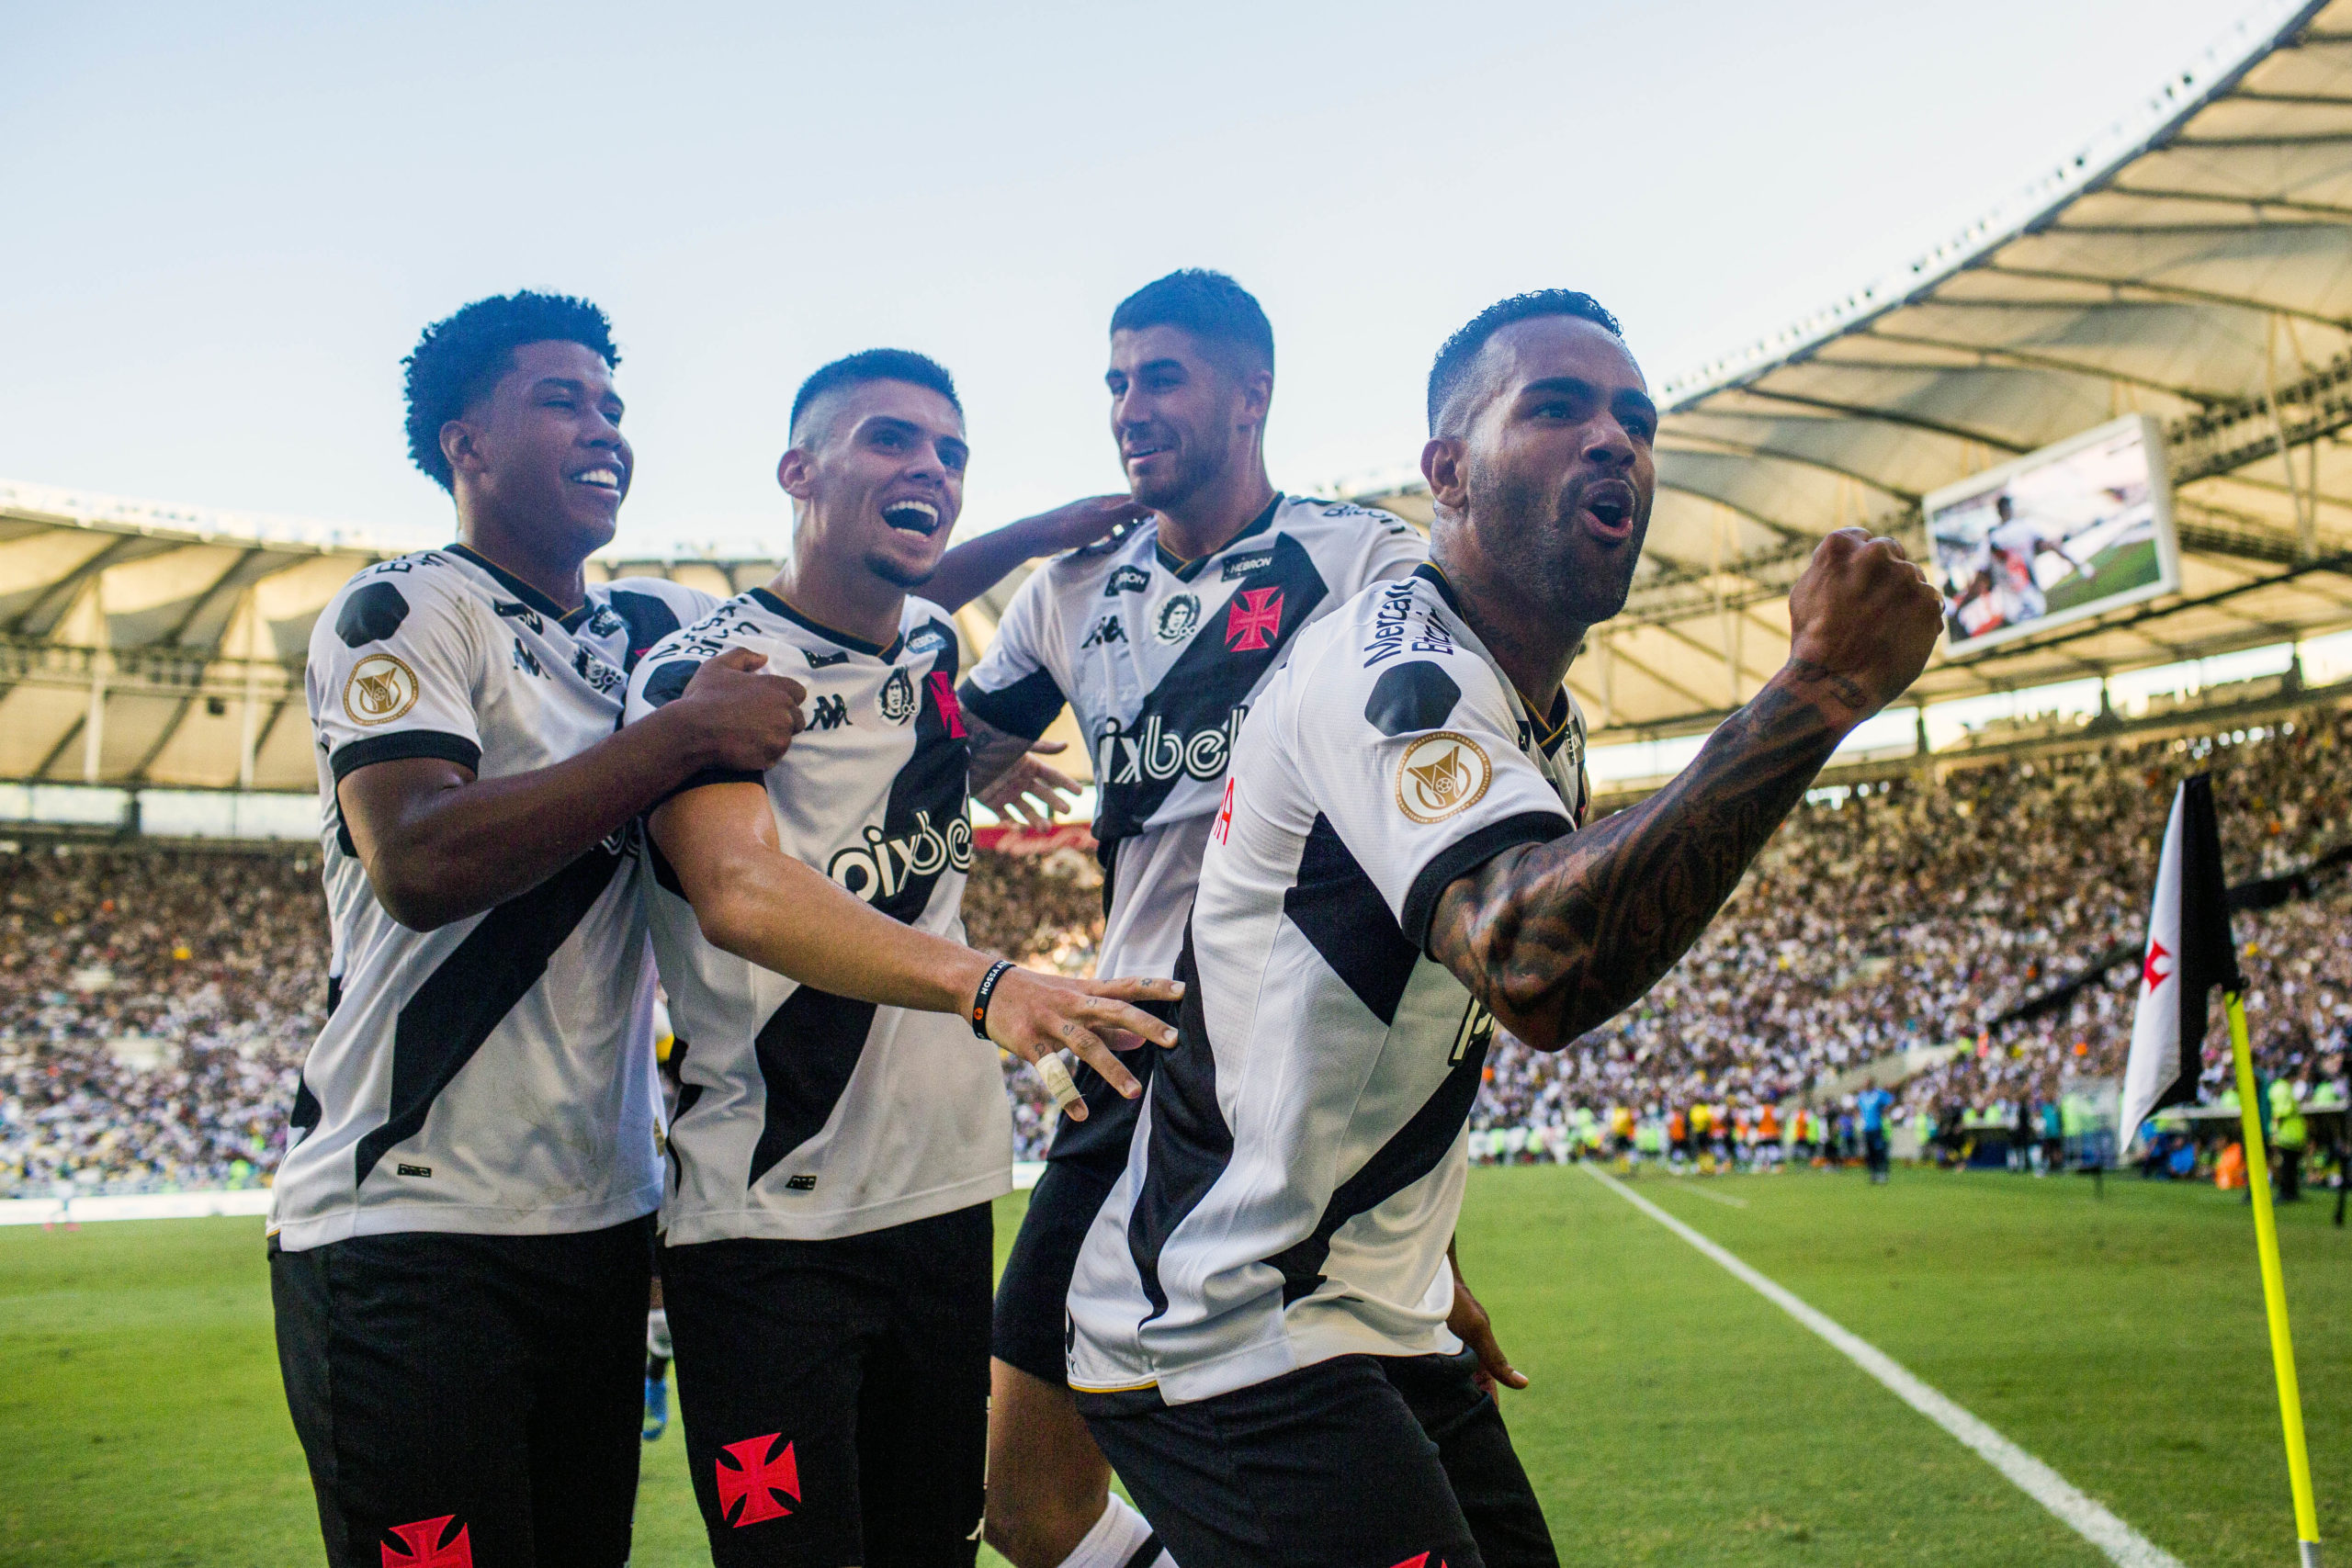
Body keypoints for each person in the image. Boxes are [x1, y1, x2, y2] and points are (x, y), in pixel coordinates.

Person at [1064, 289, 1942, 1568]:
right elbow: (1534, 963)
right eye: (1557, 407)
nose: (1615, 441)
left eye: (1637, 422)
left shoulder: (1538, 722)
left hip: (1367, 1307)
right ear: (1446, 473)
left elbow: (1424, 1015)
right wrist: (1816, 690)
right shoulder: (1388, 663)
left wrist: (1432, 1255)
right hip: (1226, 1321)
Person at [956, 270, 1489, 1568]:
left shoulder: (1362, 560)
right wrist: (1016, 549)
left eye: (1163, 378)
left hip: (1288, 1039)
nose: (1131, 408)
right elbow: (910, 736)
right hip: (1123, 1037)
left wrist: (1436, 1237)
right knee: (1029, 1505)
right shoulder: (1071, 590)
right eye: (1117, 382)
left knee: (1293, 1432)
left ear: (1252, 392)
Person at [619, 347, 1183, 1568]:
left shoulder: (931, 651)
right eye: (890, 439)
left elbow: (892, 670)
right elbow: (740, 888)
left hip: (942, 1197)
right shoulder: (707, 674)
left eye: (950, 452)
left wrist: (971, 754)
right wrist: (987, 983)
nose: (928, 466)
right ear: (798, 469)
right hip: (773, 1228)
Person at [268, 292, 806, 1568]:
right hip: (406, 1224)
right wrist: (672, 739)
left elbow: (842, 600)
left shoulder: (649, 626)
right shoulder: (403, 608)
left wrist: (1070, 544)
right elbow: (419, 857)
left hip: (598, 1226)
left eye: (614, 404)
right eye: (561, 401)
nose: (605, 427)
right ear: (467, 442)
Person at [1857, 1084, 1894, 1184]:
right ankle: (1873, 1173)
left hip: (1876, 1128)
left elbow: (1891, 1100)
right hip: (1866, 1129)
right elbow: (1860, 1109)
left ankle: (1882, 1173)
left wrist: (1884, 1109)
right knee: (1870, 1153)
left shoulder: (1878, 1094)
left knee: (1879, 1151)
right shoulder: (1862, 1096)